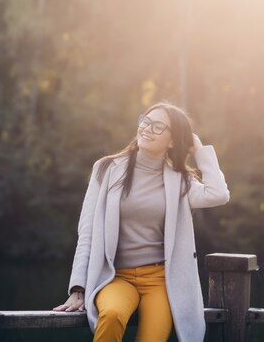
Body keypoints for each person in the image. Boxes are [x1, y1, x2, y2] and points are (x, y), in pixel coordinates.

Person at [53, 101, 230, 342]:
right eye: (145, 121)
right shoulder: (106, 169)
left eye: (158, 126)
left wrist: (200, 150)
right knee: (113, 315)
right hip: (115, 276)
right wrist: (78, 288)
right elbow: (87, 232)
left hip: (159, 280)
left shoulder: (180, 180)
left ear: (172, 140)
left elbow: (218, 194)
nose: (147, 128)